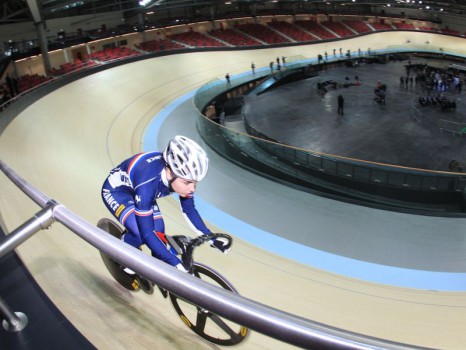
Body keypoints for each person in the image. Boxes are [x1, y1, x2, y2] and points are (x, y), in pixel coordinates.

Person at [101, 135, 229, 273]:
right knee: (140, 233)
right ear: (169, 172)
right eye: (187, 182)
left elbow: (189, 210)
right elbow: (147, 234)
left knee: (159, 232)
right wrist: (174, 263)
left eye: (195, 183)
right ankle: (121, 251)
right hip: (117, 192)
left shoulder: (182, 176)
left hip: (140, 193)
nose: (192, 189)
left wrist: (211, 238)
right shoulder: (148, 183)